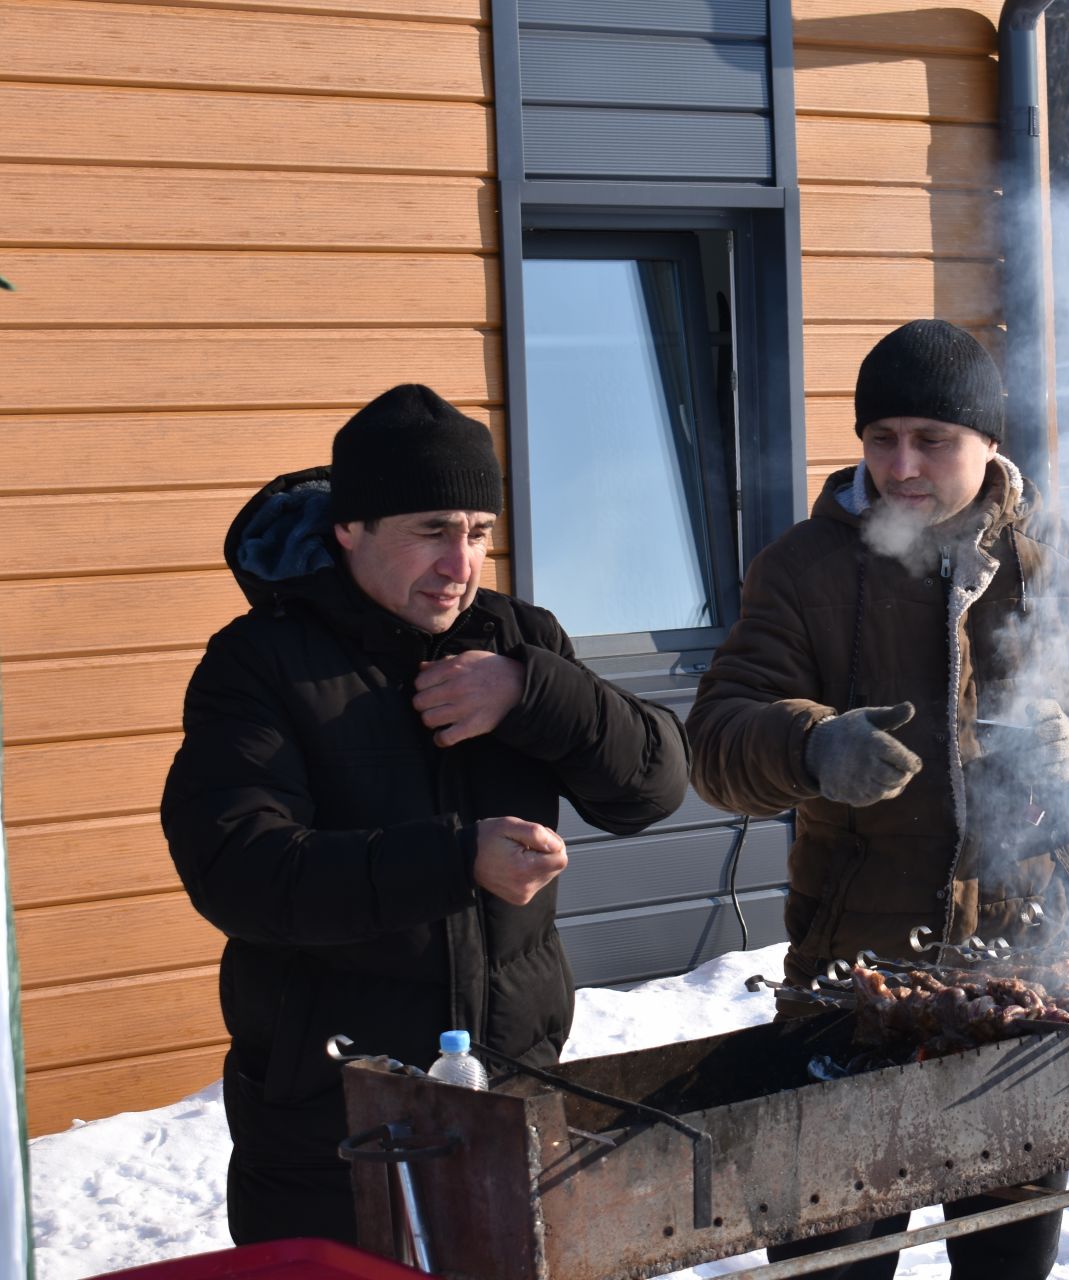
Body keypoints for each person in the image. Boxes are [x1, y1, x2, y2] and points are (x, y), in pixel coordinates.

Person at [686, 320, 1069, 1278]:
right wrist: (810, 742)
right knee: (831, 1265)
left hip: (1029, 985)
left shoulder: (1065, 561)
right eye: (882, 438)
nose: (901, 465)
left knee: (1006, 1266)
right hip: (853, 987)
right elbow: (716, 740)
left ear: (990, 444)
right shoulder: (806, 567)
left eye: (932, 440)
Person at [161, 384, 690, 1246]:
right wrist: (455, 860)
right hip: (330, 1123)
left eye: (479, 532)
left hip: (509, 1094)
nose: (462, 563)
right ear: (350, 530)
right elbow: (240, 871)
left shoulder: (519, 640)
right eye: (432, 531)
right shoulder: (256, 664)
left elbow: (654, 785)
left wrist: (533, 695)